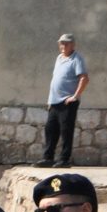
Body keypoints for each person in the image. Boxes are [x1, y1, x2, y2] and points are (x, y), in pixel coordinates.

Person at [39, 33, 88, 168]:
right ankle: (48, 157)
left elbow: (84, 78)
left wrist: (75, 96)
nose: (63, 46)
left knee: (66, 131)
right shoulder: (59, 58)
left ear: (73, 45)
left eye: (66, 43)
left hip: (67, 102)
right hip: (54, 102)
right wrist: (50, 100)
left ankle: (64, 160)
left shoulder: (76, 59)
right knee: (50, 130)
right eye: (61, 43)